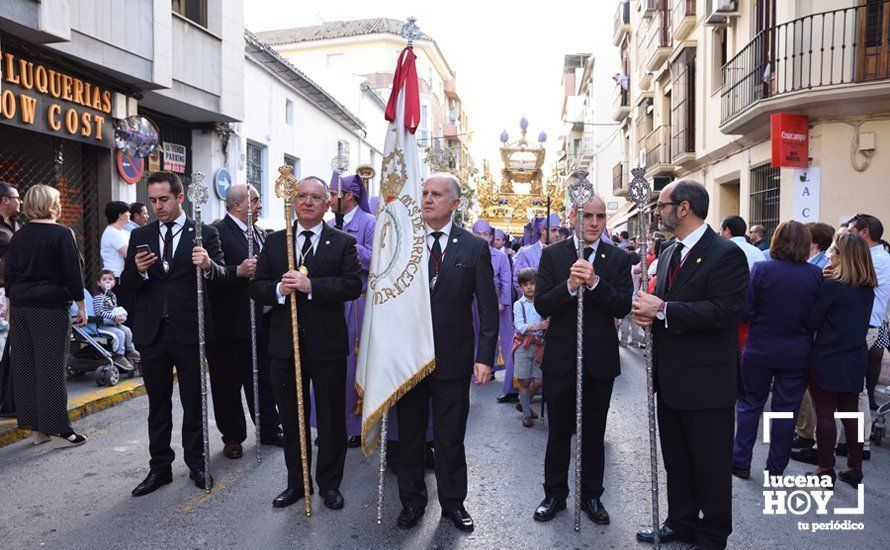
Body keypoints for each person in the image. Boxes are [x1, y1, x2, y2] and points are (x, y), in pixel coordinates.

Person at [632, 180, 748, 550]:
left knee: (710, 466)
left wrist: (663, 310)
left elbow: (723, 312)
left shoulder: (725, 253)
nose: (656, 212)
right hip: (670, 381)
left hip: (708, 383)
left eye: (662, 205)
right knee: (677, 462)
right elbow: (664, 306)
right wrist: (649, 313)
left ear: (683, 209)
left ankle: (713, 534)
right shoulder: (668, 253)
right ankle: (680, 521)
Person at [250, 175, 361, 511]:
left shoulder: (341, 242)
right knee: (293, 418)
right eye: (302, 196)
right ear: (293, 201)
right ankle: (296, 483)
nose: (308, 202)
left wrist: (310, 285)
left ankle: (329, 484)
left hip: (326, 346)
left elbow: (352, 285)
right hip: (285, 346)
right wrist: (280, 291)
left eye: (316, 197)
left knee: (329, 419)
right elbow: (257, 287)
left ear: (328, 204)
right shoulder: (275, 242)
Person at [395, 173, 498, 533]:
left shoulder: (473, 247)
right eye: (424, 193)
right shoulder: (402, 244)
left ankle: (453, 503)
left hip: (453, 360)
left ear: (455, 203)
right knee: (408, 435)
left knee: (450, 436)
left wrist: (485, 357)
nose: (427, 200)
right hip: (408, 360)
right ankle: (411, 502)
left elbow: (487, 307)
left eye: (436, 194)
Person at [122, 171, 227, 496]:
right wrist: (137, 272)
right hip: (152, 332)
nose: (158, 206)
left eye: (164, 199)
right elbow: (126, 289)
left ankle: (197, 463)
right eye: (152, 200)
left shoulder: (204, 233)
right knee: (158, 403)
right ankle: (160, 468)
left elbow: (224, 278)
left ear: (180, 198)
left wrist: (208, 265)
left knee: (194, 400)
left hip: (190, 329)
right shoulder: (140, 234)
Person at [532, 194, 632, 525]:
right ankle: (554, 494)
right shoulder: (554, 255)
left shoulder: (616, 258)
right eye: (587, 215)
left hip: (599, 359)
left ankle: (591, 495)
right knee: (559, 430)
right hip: (561, 358)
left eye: (600, 216)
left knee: (593, 431)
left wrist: (595, 282)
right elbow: (543, 304)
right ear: (574, 216)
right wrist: (571, 285)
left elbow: (621, 305)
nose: (593, 222)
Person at [730, 221, 822, 479]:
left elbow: (745, 311)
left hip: (760, 347)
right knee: (785, 410)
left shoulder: (761, 270)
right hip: (796, 351)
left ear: (777, 241)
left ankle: (740, 461)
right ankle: (776, 467)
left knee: (749, 405)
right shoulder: (814, 275)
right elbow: (815, 318)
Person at [5, 184, 88, 447]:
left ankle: (37, 427)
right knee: (51, 368)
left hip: (20, 305)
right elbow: (73, 273)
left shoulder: (19, 234)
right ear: (52, 204)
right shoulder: (63, 233)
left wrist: (10, 303)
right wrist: (81, 304)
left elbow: (10, 273)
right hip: (50, 307)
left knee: (26, 367)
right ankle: (59, 430)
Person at [208, 184, 283, 460]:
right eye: (255, 200)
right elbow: (211, 273)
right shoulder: (216, 231)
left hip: (263, 321)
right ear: (238, 205)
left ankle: (269, 428)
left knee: (264, 378)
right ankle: (233, 437)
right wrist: (237, 271)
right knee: (228, 383)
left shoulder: (260, 233)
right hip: (229, 323)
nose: (260, 205)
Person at [806, 232, 876, 487]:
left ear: (842, 256)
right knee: (851, 414)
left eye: (833, 250)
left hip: (827, 356)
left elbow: (812, 321)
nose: (828, 254)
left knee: (825, 414)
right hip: (855, 357)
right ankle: (854, 467)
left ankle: (825, 469)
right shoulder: (867, 288)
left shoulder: (833, 286)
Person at [327, 172, 375, 449]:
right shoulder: (330, 223)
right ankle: (330, 422)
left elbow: (379, 258)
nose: (329, 200)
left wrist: (349, 246)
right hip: (332, 300)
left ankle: (356, 425)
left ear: (350, 195)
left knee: (354, 366)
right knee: (329, 364)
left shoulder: (369, 223)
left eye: (333, 194)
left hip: (358, 303)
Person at [503, 213, 559, 403]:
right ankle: (516, 389)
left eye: (559, 230)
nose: (557, 234)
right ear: (543, 231)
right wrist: (529, 300)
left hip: (552, 308)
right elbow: (517, 279)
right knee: (522, 346)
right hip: (531, 308)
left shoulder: (561, 250)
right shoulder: (527, 252)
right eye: (554, 230)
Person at [847, 214, 890, 411]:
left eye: (851, 232)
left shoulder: (878, 260)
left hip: (864, 326)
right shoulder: (871, 257)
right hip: (860, 325)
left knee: (856, 385)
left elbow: (853, 282)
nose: (847, 237)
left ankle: (859, 439)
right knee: (854, 384)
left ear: (864, 233)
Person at [471, 220, 512, 387]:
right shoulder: (467, 253)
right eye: (478, 234)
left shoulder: (500, 256)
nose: (482, 237)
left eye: (486, 234)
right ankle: (474, 365)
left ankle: (492, 366)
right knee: (473, 332)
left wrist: (503, 301)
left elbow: (506, 280)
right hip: (472, 299)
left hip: (494, 298)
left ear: (491, 236)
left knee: (494, 333)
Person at [512, 267, 546, 427]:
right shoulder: (519, 304)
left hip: (540, 344)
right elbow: (519, 325)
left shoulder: (543, 301)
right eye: (525, 285)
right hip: (523, 345)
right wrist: (537, 326)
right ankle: (526, 413)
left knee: (540, 380)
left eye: (533, 283)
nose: (529, 287)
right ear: (520, 287)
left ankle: (523, 402)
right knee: (524, 380)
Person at [93, 269, 139, 371]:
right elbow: (98, 313)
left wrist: (120, 316)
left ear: (114, 282)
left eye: (110, 279)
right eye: (104, 279)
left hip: (113, 323)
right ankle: (119, 355)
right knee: (120, 334)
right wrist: (114, 317)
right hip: (103, 324)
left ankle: (130, 350)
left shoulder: (113, 296)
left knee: (127, 331)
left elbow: (114, 309)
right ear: (98, 283)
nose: (108, 281)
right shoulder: (98, 297)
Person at [620, 251, 645, 348]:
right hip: (636, 296)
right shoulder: (638, 270)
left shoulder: (629, 269)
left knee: (625, 319)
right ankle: (635, 340)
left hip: (629, 296)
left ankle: (624, 340)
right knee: (634, 320)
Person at [100, 201, 131, 279]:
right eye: (127, 212)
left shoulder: (123, 232)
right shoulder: (112, 233)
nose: (130, 214)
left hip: (120, 275)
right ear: (120, 215)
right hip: (114, 276)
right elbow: (130, 253)